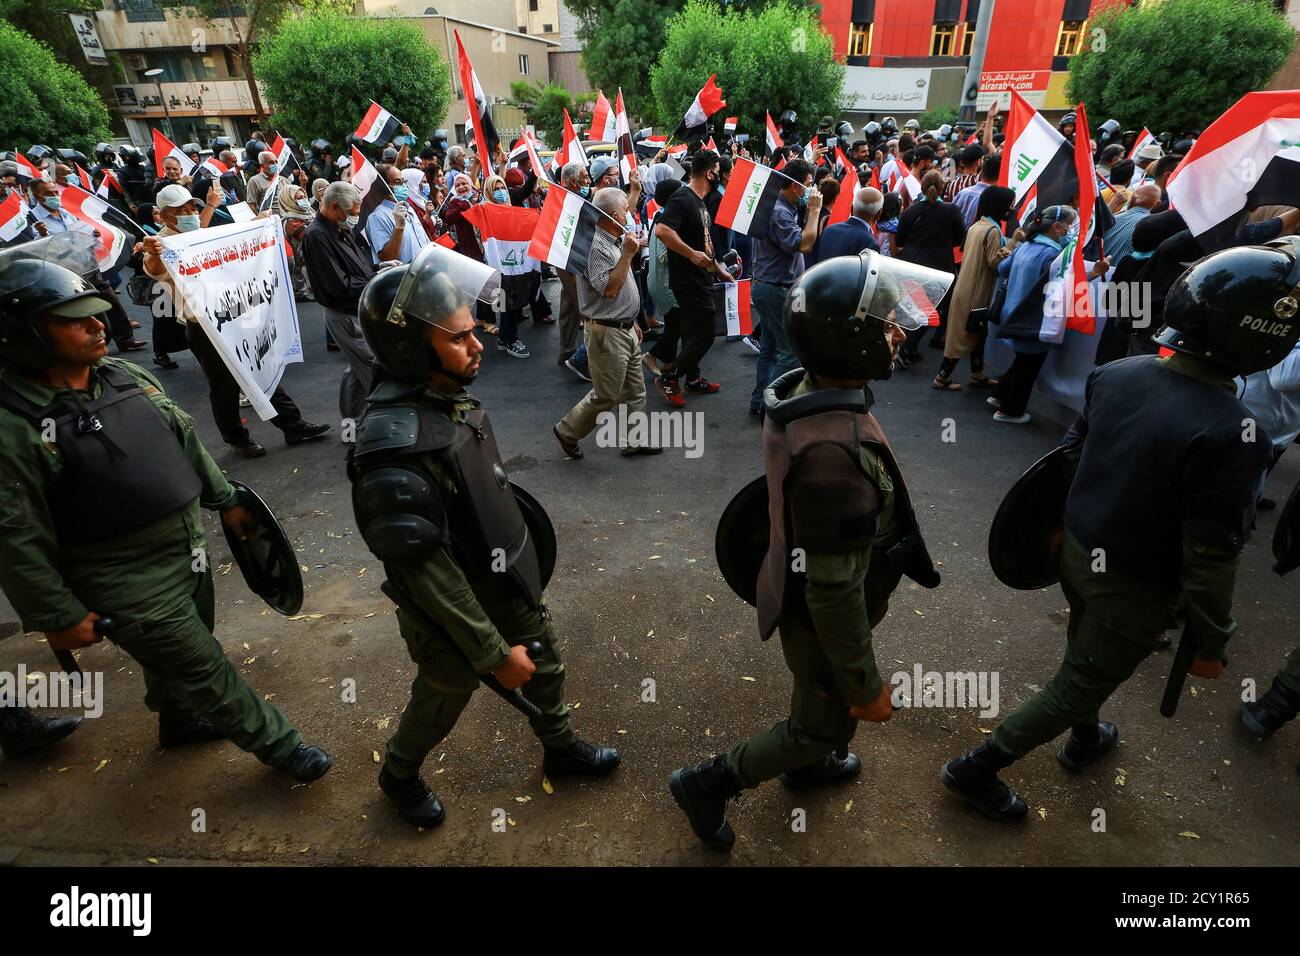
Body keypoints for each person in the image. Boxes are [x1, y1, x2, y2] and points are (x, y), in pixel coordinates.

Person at [943, 238, 1300, 820]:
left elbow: (1068, 458)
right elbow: (1212, 556)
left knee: (1086, 654)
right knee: (1078, 685)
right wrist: (1211, 642)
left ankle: (1085, 736)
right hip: (1133, 584)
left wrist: (1054, 527)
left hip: (1079, 552)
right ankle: (976, 768)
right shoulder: (1238, 434)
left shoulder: (1119, 373)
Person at [0, 246, 332, 781]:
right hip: (119, 575)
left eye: (94, 314)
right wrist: (57, 613)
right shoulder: (13, 425)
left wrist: (227, 501)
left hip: (186, 548)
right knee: (202, 663)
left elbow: (183, 440)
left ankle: (178, 721)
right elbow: (15, 536)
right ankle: (282, 747)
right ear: (24, 333)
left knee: (182, 660)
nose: (97, 326)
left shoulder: (121, 376)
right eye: (72, 322)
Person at [671, 249, 951, 851]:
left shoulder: (807, 386)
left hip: (797, 586)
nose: (898, 333)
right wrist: (865, 686)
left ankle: (810, 762)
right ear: (849, 344)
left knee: (815, 692)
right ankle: (711, 781)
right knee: (818, 721)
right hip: (821, 610)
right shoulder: (832, 463)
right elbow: (833, 593)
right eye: (883, 325)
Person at [349, 243, 621, 829]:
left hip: (499, 577)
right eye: (457, 338)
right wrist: (492, 656)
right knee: (444, 692)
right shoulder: (393, 446)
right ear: (409, 350)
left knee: (544, 661)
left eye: (474, 330)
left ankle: (560, 746)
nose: (478, 346)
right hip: (449, 607)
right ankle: (398, 773)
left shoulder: (440, 396)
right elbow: (427, 571)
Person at [141, 184, 332, 458]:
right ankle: (237, 438)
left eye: (191, 208)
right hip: (206, 328)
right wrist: (156, 253)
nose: (189, 214)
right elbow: (154, 269)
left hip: (238, 316)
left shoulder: (200, 234)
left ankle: (293, 424)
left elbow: (233, 238)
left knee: (264, 366)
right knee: (224, 387)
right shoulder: (161, 244)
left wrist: (259, 224)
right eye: (181, 211)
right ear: (165, 216)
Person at [553, 187, 660, 460]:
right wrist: (627, 255)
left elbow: (622, 289)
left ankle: (634, 441)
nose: (629, 215)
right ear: (614, 216)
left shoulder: (611, 239)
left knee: (634, 391)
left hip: (622, 328)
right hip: (606, 332)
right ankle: (568, 431)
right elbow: (610, 289)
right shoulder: (595, 246)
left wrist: (632, 319)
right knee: (606, 395)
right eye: (626, 210)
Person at [988, 205, 1106, 423]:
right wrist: (1095, 273)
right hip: (1033, 320)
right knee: (1028, 368)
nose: (1072, 230)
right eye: (1070, 225)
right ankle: (1009, 410)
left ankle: (998, 396)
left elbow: (1003, 269)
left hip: (1012, 314)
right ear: (1057, 227)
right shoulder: (1052, 254)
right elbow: (1065, 286)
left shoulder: (1027, 245)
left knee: (1022, 361)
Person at [26, 177, 149, 355]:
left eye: (55, 192)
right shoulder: (32, 219)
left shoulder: (65, 212)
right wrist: (42, 235)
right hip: (66, 271)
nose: (54, 196)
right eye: (49, 193)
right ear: (37, 195)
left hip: (88, 264)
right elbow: (35, 248)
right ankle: (98, 344)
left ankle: (126, 339)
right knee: (89, 308)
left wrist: (94, 233)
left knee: (110, 300)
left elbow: (80, 232)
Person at [653, 149, 734, 408]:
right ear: (710, 173)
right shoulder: (682, 198)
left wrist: (717, 268)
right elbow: (662, 230)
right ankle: (669, 377)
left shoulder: (699, 200)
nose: (721, 178)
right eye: (719, 174)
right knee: (706, 334)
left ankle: (692, 379)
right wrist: (691, 255)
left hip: (700, 276)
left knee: (691, 334)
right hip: (689, 280)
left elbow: (705, 243)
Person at [745, 158, 819, 416]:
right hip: (776, 289)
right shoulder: (779, 212)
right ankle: (770, 406)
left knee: (769, 349)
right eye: (808, 185)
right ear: (795, 186)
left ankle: (759, 402)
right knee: (788, 353)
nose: (811, 190)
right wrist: (815, 211)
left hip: (770, 286)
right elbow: (804, 244)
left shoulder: (781, 207)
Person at [301, 182, 379, 423]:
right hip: (345, 313)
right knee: (372, 369)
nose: (354, 218)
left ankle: (351, 425)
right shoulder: (317, 236)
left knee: (357, 369)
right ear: (334, 207)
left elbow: (359, 268)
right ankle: (376, 425)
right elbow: (339, 285)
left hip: (359, 308)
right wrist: (377, 279)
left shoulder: (339, 229)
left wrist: (379, 269)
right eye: (351, 213)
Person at [935, 186, 1021, 391]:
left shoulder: (976, 226)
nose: (1012, 208)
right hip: (977, 291)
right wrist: (1014, 242)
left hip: (965, 287)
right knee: (964, 335)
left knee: (977, 333)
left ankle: (976, 374)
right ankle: (941, 377)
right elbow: (994, 263)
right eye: (1010, 204)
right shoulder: (992, 231)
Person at [894, 170, 966, 362]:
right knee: (931, 308)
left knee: (910, 306)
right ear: (943, 187)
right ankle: (908, 347)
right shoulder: (951, 210)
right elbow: (960, 238)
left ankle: (903, 344)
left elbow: (900, 238)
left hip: (911, 263)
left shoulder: (911, 210)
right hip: (940, 265)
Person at [555, 161, 594, 380]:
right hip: (568, 261)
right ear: (572, 182)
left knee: (570, 305)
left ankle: (567, 351)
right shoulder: (563, 201)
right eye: (584, 178)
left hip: (571, 260)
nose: (588, 182)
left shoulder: (574, 198)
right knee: (583, 306)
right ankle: (579, 359)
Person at [365, 164, 422, 265]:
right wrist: (399, 228)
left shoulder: (409, 209)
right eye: (397, 182)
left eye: (403, 181)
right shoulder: (377, 217)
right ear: (384, 186)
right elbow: (387, 258)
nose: (403, 186)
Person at [1102, 182, 1161, 263]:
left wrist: (1112, 205)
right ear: (1157, 204)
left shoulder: (1114, 218)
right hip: (1115, 273)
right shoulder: (1152, 229)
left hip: (1089, 267)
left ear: (1132, 199)